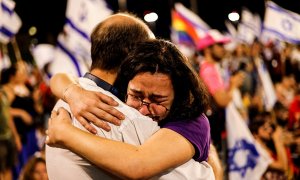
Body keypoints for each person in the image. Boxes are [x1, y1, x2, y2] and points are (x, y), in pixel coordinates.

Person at [46, 14, 216, 180]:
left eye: (158, 100)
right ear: (133, 61)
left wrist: (65, 133)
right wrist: (71, 91)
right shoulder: (105, 111)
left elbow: (138, 164)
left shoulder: (192, 121)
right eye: (136, 95)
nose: (143, 109)